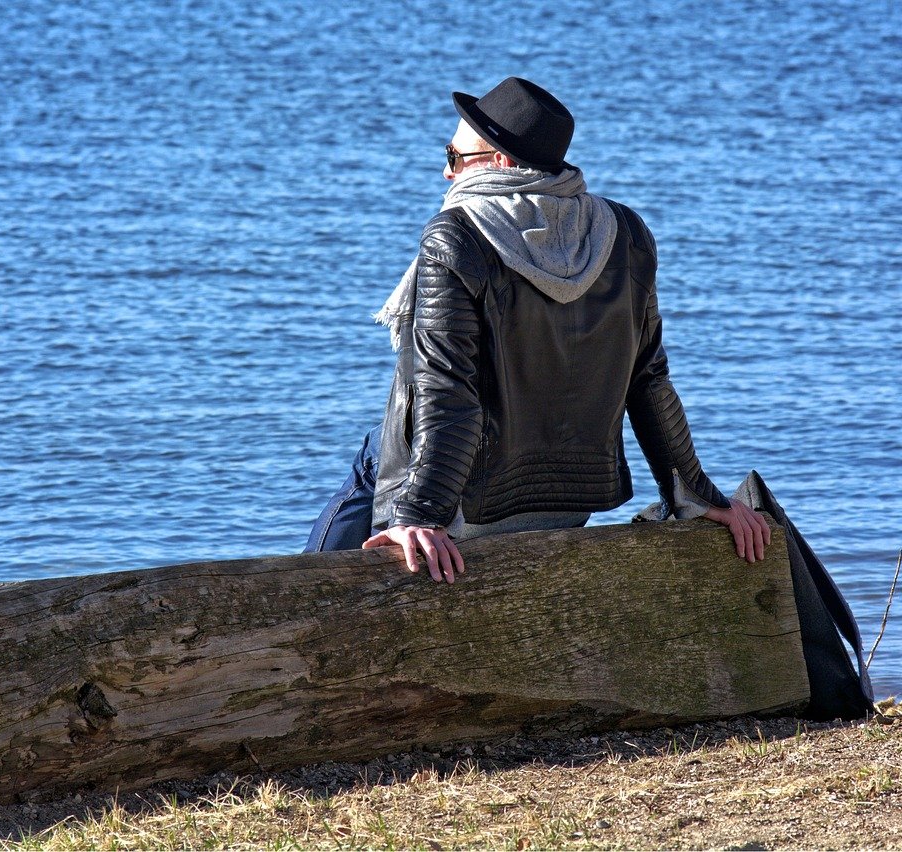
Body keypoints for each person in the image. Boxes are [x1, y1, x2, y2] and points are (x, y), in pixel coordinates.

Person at [306, 77, 770, 582]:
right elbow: (649, 380)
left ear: (502, 160)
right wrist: (695, 493)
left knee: (374, 457)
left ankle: (302, 599)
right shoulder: (625, 233)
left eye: (454, 157)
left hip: (469, 506)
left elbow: (448, 392)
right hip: (570, 501)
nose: (445, 172)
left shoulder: (459, 233)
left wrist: (421, 514)